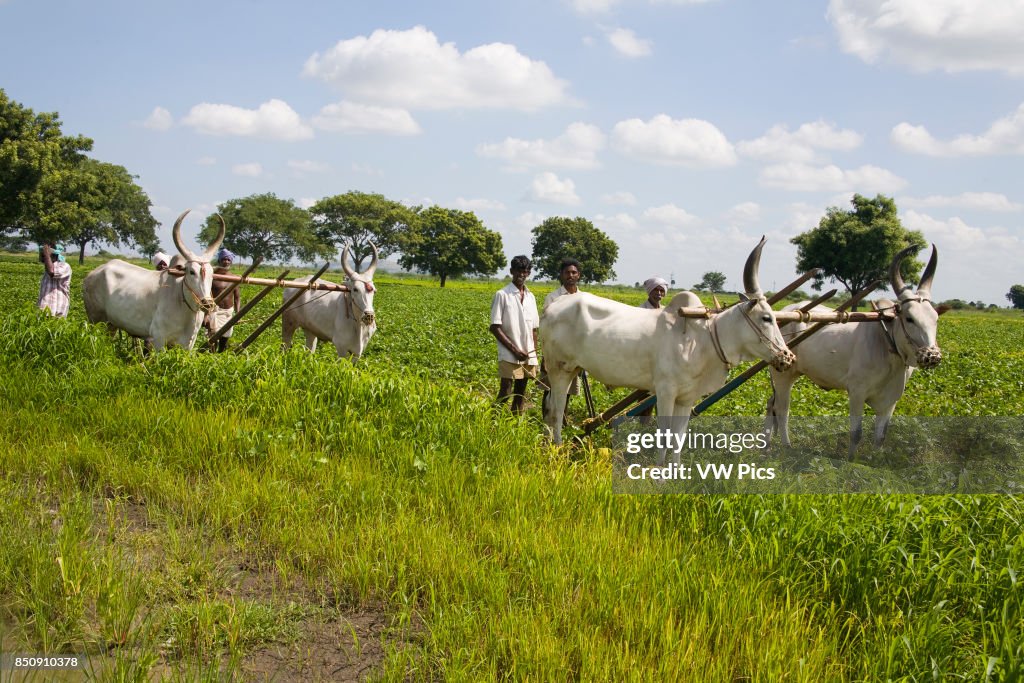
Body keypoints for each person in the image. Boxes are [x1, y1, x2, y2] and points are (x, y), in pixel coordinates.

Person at [490, 255, 540, 415]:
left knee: (520, 393)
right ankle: (492, 422)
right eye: (519, 270)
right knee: (506, 390)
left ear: (529, 273)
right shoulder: (502, 295)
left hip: (527, 353)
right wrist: (514, 349)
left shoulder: (531, 297)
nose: (522, 274)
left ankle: (514, 424)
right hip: (509, 353)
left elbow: (534, 329)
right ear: (512, 271)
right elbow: (495, 327)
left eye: (526, 271)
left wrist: (534, 355)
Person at [540, 259, 582, 420]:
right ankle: (547, 421)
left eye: (573, 272)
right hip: (555, 352)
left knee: (568, 390)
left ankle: (561, 421)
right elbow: (547, 330)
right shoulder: (553, 298)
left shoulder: (584, 299)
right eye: (567, 272)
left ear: (578, 275)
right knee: (549, 390)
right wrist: (545, 356)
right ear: (561, 275)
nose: (570, 275)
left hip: (576, 353)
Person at [206, 248, 240, 352]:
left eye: (228, 260)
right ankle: (212, 357)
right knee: (213, 337)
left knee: (225, 337)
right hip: (215, 311)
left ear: (231, 261)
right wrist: (206, 313)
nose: (226, 262)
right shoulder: (212, 277)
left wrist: (238, 313)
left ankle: (221, 355)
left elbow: (237, 297)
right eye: (224, 259)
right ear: (219, 261)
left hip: (228, 312)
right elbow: (206, 295)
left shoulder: (234, 278)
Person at [37, 243, 72, 318]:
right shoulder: (48, 268)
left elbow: (52, 272)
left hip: (57, 310)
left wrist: (47, 254)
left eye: (45, 255)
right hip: (44, 309)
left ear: (54, 255)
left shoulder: (64, 266)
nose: (43, 258)